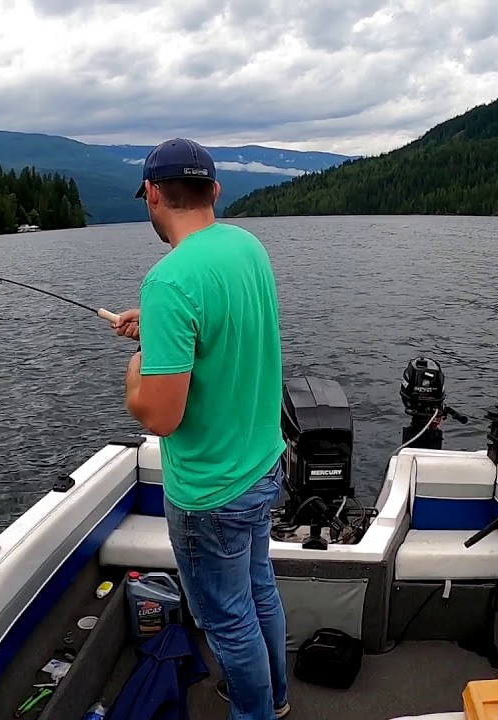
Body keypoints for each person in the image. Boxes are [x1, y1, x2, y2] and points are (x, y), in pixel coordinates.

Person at [113, 137, 290, 720]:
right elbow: (221, 327)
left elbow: (160, 415)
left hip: (210, 493)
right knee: (259, 590)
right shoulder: (247, 247)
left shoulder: (168, 281)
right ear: (214, 190)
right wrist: (158, 328)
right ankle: (276, 698)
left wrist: (137, 366)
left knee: (228, 620)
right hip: (261, 466)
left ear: (153, 194)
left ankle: (254, 713)